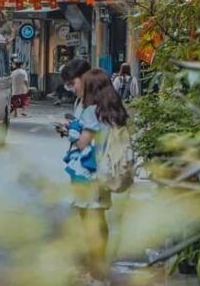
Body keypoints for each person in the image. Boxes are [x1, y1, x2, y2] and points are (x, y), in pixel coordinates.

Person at [62, 68, 129, 280]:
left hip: (87, 172)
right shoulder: (111, 112)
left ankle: (95, 267)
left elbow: (83, 143)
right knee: (99, 219)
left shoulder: (92, 111)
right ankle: (98, 264)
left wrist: (71, 132)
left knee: (89, 220)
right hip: (104, 172)